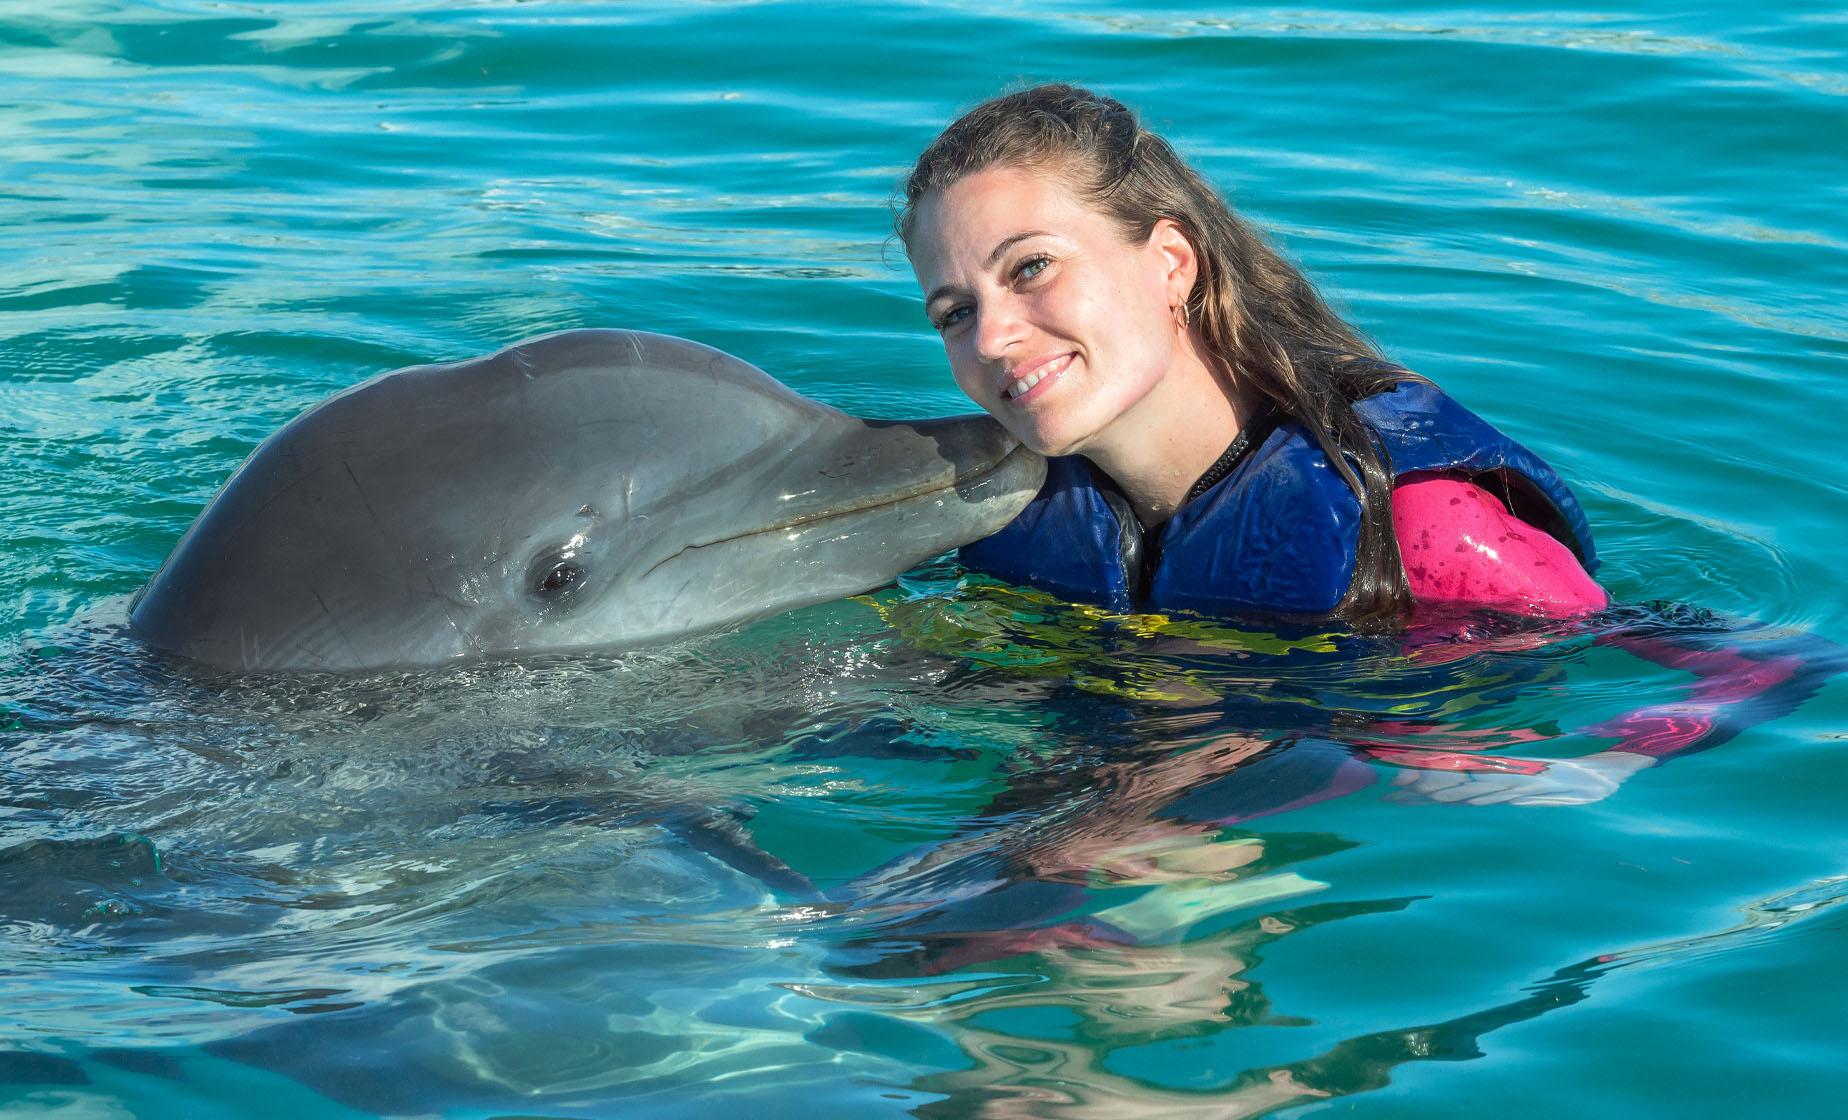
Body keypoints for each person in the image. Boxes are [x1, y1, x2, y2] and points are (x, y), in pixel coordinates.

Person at [898, 83, 1606, 625]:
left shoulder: (1416, 526)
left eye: (1031, 268)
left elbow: (1687, 684)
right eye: (956, 312)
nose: (991, 337)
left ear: (1172, 263)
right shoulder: (1007, 513)